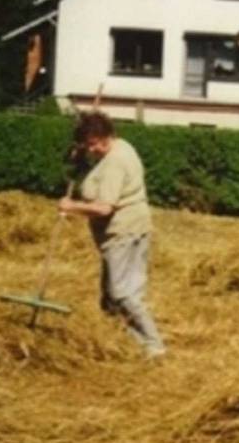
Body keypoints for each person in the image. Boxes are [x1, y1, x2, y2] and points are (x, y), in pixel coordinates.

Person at [58, 111, 166, 359]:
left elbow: (104, 207)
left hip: (122, 232)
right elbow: (99, 166)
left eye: (93, 144)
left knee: (121, 293)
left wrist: (71, 207)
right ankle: (132, 345)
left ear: (103, 137)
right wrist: (82, 159)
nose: (90, 150)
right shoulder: (121, 146)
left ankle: (153, 345)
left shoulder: (115, 162)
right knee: (113, 298)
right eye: (86, 146)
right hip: (137, 225)